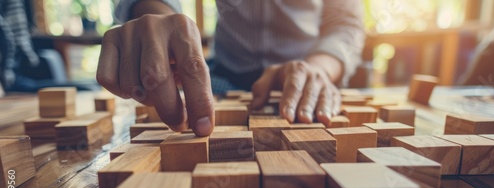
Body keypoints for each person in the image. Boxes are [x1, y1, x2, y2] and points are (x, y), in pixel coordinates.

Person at [97, 0, 365, 136]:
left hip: (305, 83)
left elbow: (346, 24)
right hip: (219, 79)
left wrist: (318, 68)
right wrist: (154, 14)